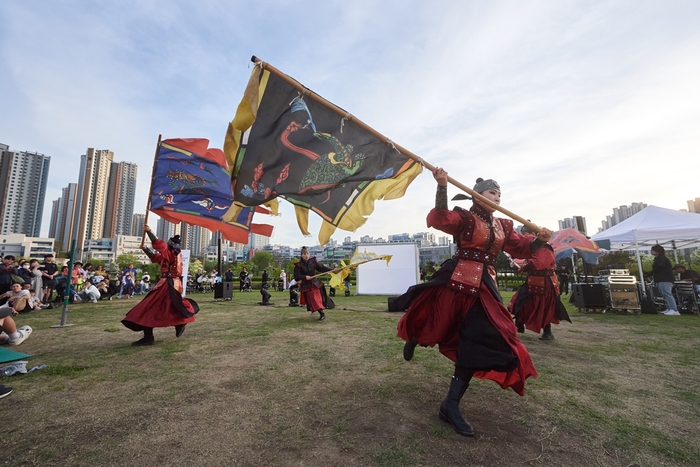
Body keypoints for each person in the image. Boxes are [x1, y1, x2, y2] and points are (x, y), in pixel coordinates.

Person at [396, 169, 552, 437]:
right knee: (437, 319)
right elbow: (441, 219)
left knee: (480, 337)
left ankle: (450, 405)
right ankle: (414, 337)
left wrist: (539, 240)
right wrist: (442, 186)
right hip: (458, 277)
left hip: (485, 286)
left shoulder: (503, 226)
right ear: (478, 196)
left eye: (500, 194)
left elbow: (521, 248)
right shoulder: (466, 218)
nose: (498, 197)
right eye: (493, 193)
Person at [121, 226, 198, 346]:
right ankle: (176, 324)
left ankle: (154, 334)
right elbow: (155, 257)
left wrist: (149, 232)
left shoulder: (172, 254)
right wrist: (145, 249)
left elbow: (160, 246)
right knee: (164, 307)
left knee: (150, 307)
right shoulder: (168, 255)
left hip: (169, 284)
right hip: (166, 283)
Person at [508, 225, 570, 340]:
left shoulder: (545, 247)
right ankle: (518, 325)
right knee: (519, 300)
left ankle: (548, 332)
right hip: (532, 281)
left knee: (544, 307)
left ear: (534, 234)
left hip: (545, 283)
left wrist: (524, 268)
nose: (525, 237)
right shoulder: (530, 247)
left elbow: (540, 263)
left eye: (526, 234)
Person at [294, 247, 336, 320]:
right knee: (313, 299)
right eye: (304, 254)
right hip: (306, 285)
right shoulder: (298, 265)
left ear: (309, 254)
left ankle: (322, 312)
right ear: (301, 255)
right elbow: (297, 277)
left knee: (317, 297)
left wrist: (332, 270)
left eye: (307, 253)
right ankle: (321, 312)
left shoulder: (313, 261)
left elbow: (322, 268)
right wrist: (304, 276)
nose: (306, 255)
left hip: (315, 283)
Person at [651, 245, 678, 316]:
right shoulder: (657, 258)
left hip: (665, 279)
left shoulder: (661, 258)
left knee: (667, 293)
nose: (652, 251)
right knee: (664, 294)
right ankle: (669, 308)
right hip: (661, 279)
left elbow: (661, 267)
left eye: (653, 250)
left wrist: (651, 272)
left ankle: (674, 309)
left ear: (657, 251)